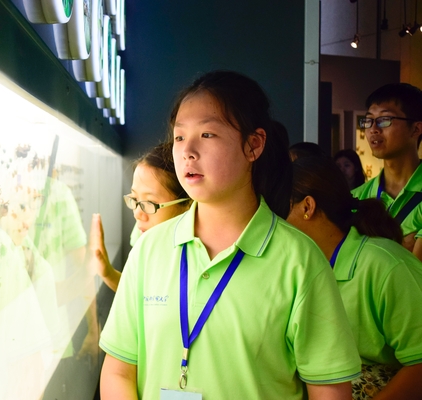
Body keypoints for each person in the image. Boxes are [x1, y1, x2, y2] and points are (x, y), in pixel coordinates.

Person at [99, 70, 360, 400]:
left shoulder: (300, 261)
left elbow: (330, 390)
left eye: (207, 134)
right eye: (179, 137)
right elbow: (119, 370)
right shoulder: (149, 249)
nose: (188, 151)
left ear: (254, 144)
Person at [287, 156, 422, 400]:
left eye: (278, 207)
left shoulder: (384, 266)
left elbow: (419, 364)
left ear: (307, 207)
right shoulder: (297, 268)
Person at [91, 141, 192, 292]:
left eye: (150, 202)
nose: (137, 214)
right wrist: (107, 273)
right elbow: (139, 292)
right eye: (135, 199)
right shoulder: (143, 233)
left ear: (188, 203)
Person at [351, 83, 422, 260]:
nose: (373, 129)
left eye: (384, 119)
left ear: (416, 129)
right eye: (368, 120)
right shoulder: (356, 198)